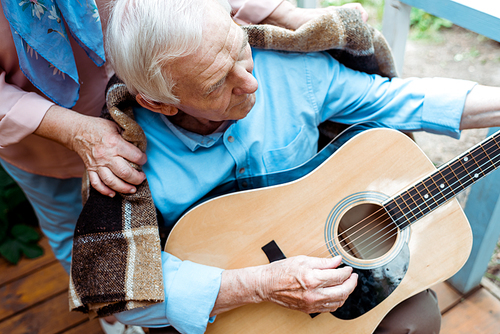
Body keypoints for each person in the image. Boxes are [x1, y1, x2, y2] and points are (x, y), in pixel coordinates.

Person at [102, 0, 500, 332]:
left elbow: (400, 100)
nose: (251, 82)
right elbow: (125, 294)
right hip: (228, 317)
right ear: (157, 102)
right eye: (215, 85)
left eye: (241, 49)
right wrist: (260, 286)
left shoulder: (289, 69)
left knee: (418, 320)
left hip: (336, 285)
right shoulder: (123, 156)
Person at [0, 0, 365, 333]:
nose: (251, 82)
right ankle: (114, 318)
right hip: (38, 137)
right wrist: (73, 130)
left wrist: (283, 13)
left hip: (163, 95)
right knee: (76, 234)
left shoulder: (247, 80)